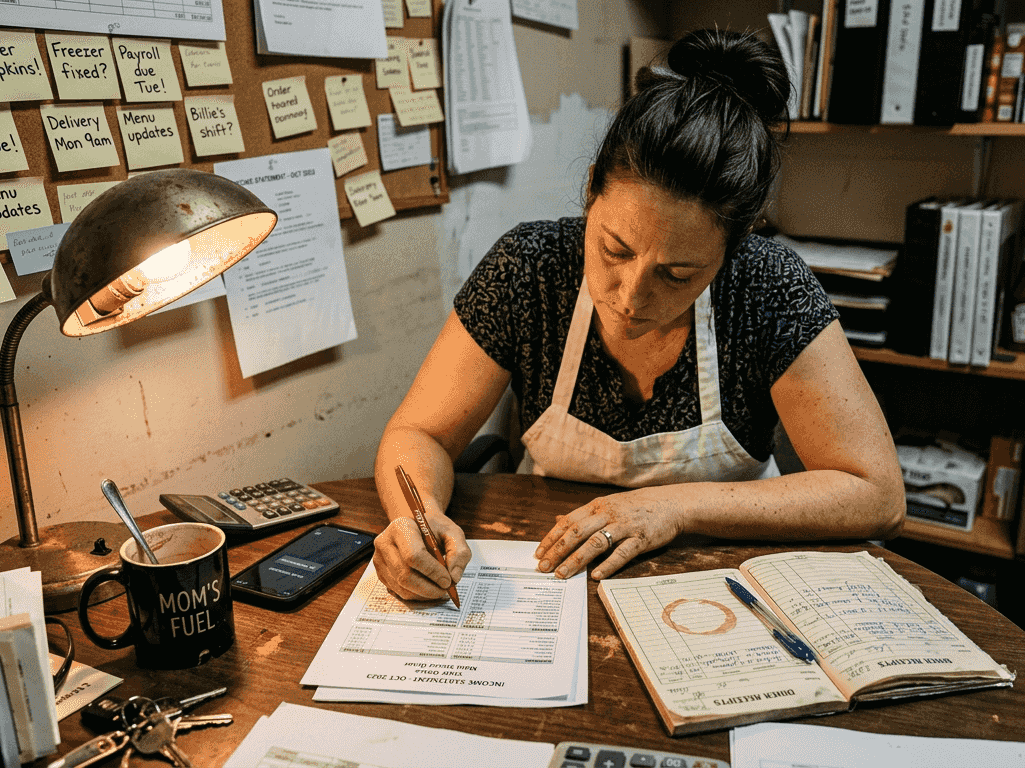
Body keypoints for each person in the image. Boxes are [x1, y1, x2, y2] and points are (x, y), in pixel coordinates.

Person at [372, 28, 905, 601]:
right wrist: (415, 518)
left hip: (726, 585)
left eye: (678, 275)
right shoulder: (528, 269)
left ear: (734, 246)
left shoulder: (765, 285)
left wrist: (670, 508)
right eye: (615, 250)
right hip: (548, 576)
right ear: (591, 191)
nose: (630, 296)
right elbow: (419, 434)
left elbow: (875, 493)